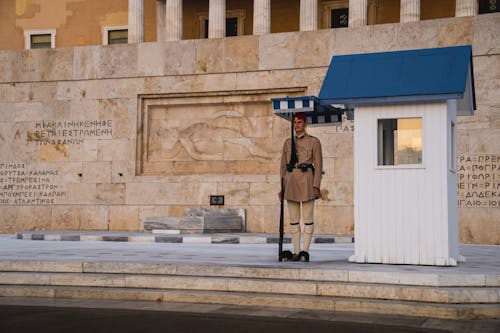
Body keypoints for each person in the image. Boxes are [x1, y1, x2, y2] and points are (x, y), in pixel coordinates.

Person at [279, 112, 323, 262]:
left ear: (305, 124)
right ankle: (296, 251)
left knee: (308, 218)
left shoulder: (314, 142)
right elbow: (283, 166)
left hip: (307, 180)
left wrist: (316, 185)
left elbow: (319, 164)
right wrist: (282, 187)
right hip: (291, 181)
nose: (296, 125)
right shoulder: (287, 143)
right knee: (293, 220)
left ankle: (305, 250)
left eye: (299, 122)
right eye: (294, 122)